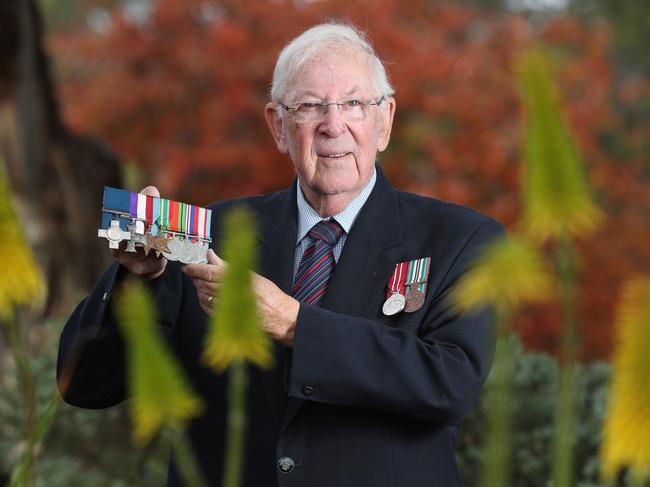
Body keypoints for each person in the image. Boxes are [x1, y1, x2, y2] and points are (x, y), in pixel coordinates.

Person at [57, 21, 504, 487]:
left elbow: (449, 384)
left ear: (385, 120)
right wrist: (139, 280)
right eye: (310, 106)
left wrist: (295, 325)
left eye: (353, 103)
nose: (334, 126)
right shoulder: (209, 235)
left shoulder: (462, 240)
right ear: (278, 126)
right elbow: (84, 384)